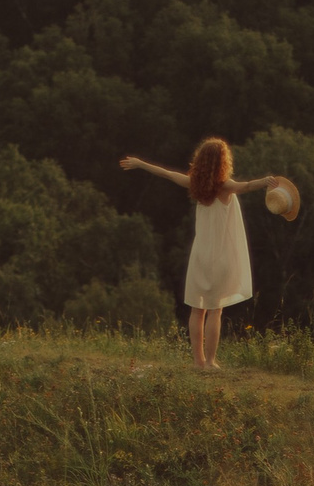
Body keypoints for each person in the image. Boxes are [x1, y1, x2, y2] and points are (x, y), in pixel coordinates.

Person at [119, 138, 280, 370]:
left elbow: (165, 173)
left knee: (197, 309)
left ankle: (198, 361)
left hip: (200, 256)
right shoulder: (225, 186)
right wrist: (265, 181)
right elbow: (245, 186)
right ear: (224, 162)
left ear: (201, 161)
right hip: (221, 257)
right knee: (216, 311)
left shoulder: (194, 184)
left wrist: (140, 163)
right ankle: (211, 362)